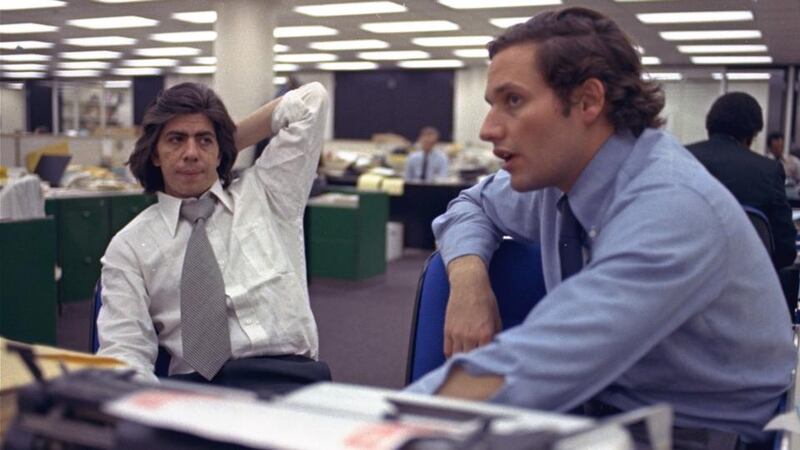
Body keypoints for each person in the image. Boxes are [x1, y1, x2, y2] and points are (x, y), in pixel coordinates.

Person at [405, 7, 795, 447]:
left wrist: (385, 429)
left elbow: (541, 360)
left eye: (513, 100)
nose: (488, 129)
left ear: (588, 101)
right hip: (594, 413)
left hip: (699, 434)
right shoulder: (554, 182)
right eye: (491, 105)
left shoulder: (670, 206)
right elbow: (468, 205)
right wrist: (468, 278)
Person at [97, 81, 330, 394]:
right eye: (176, 140)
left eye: (204, 140)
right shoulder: (128, 246)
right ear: (155, 153)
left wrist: (226, 143)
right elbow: (124, 351)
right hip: (196, 392)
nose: (191, 153)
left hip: (290, 381)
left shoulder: (268, 193)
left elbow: (311, 101)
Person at [687, 94, 796, 269]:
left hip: (677, 284)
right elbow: (786, 250)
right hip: (746, 286)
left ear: (710, 127)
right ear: (751, 135)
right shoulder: (768, 170)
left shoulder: (676, 158)